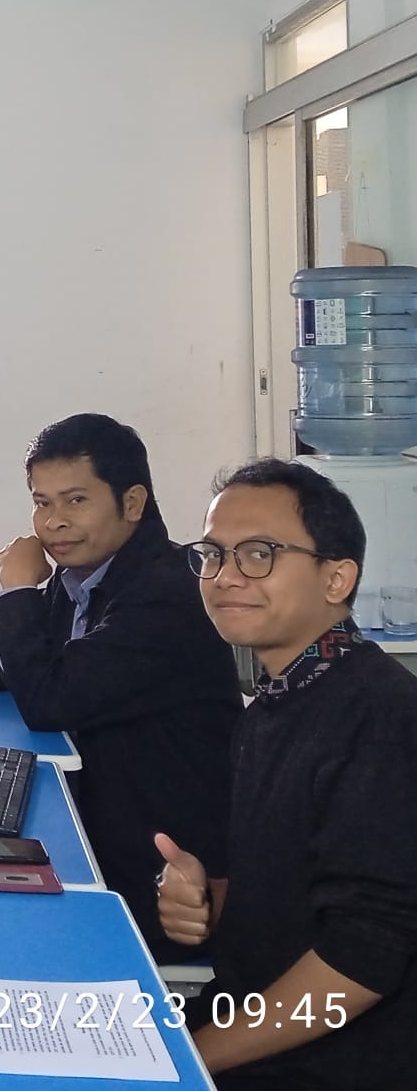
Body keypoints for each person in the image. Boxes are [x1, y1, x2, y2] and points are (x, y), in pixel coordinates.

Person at [156, 459, 417, 1087]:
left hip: (330, 1065)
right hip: (250, 1020)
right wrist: (206, 900)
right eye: (213, 555)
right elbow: (291, 899)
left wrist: (190, 1061)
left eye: (258, 554)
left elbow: (363, 961)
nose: (224, 577)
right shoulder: (276, 704)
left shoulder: (381, 718)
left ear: (336, 578)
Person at [0, 412, 240, 963]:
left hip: (166, 870)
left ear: (132, 503)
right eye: (41, 502)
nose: (53, 522)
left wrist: (16, 591)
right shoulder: (90, 575)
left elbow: (51, 699)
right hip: (106, 818)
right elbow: (0, 653)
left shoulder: (167, 593)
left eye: (75, 501)